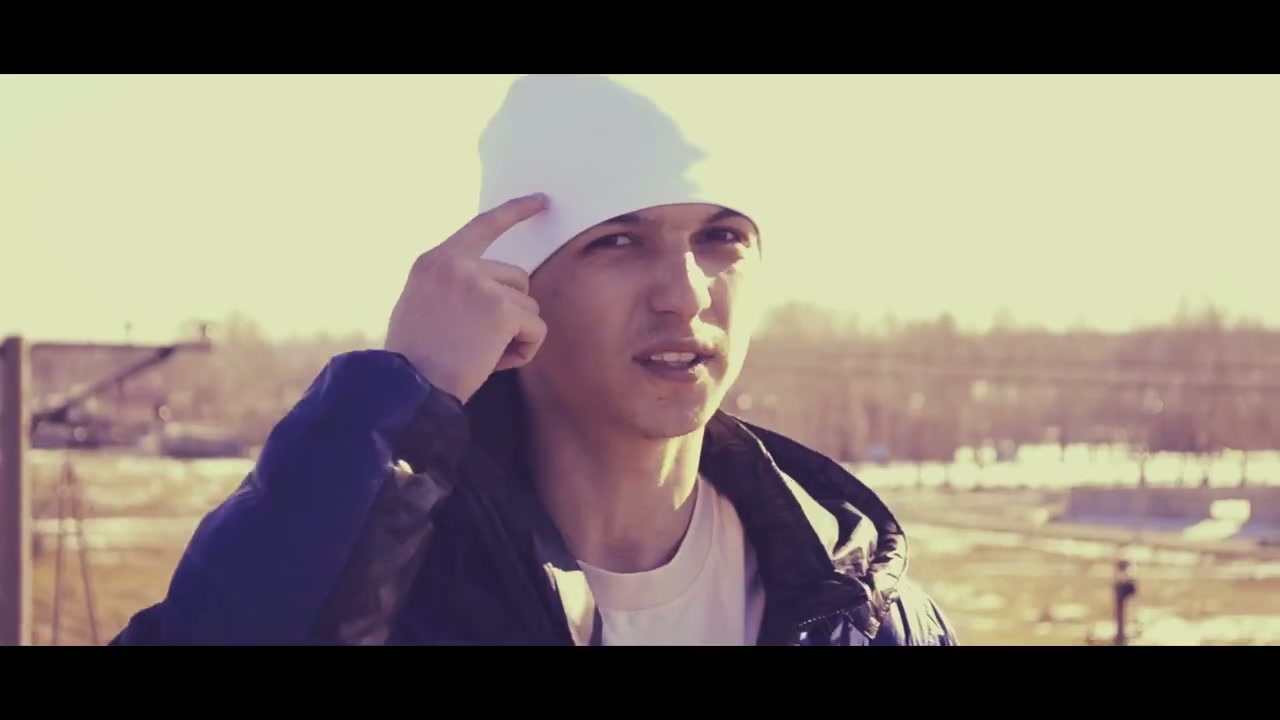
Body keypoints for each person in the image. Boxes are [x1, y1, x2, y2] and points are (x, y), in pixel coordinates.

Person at [110, 74, 958, 646]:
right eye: (618, 241)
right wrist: (403, 394)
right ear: (514, 285)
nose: (685, 293)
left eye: (721, 237)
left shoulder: (864, 611)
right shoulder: (395, 589)